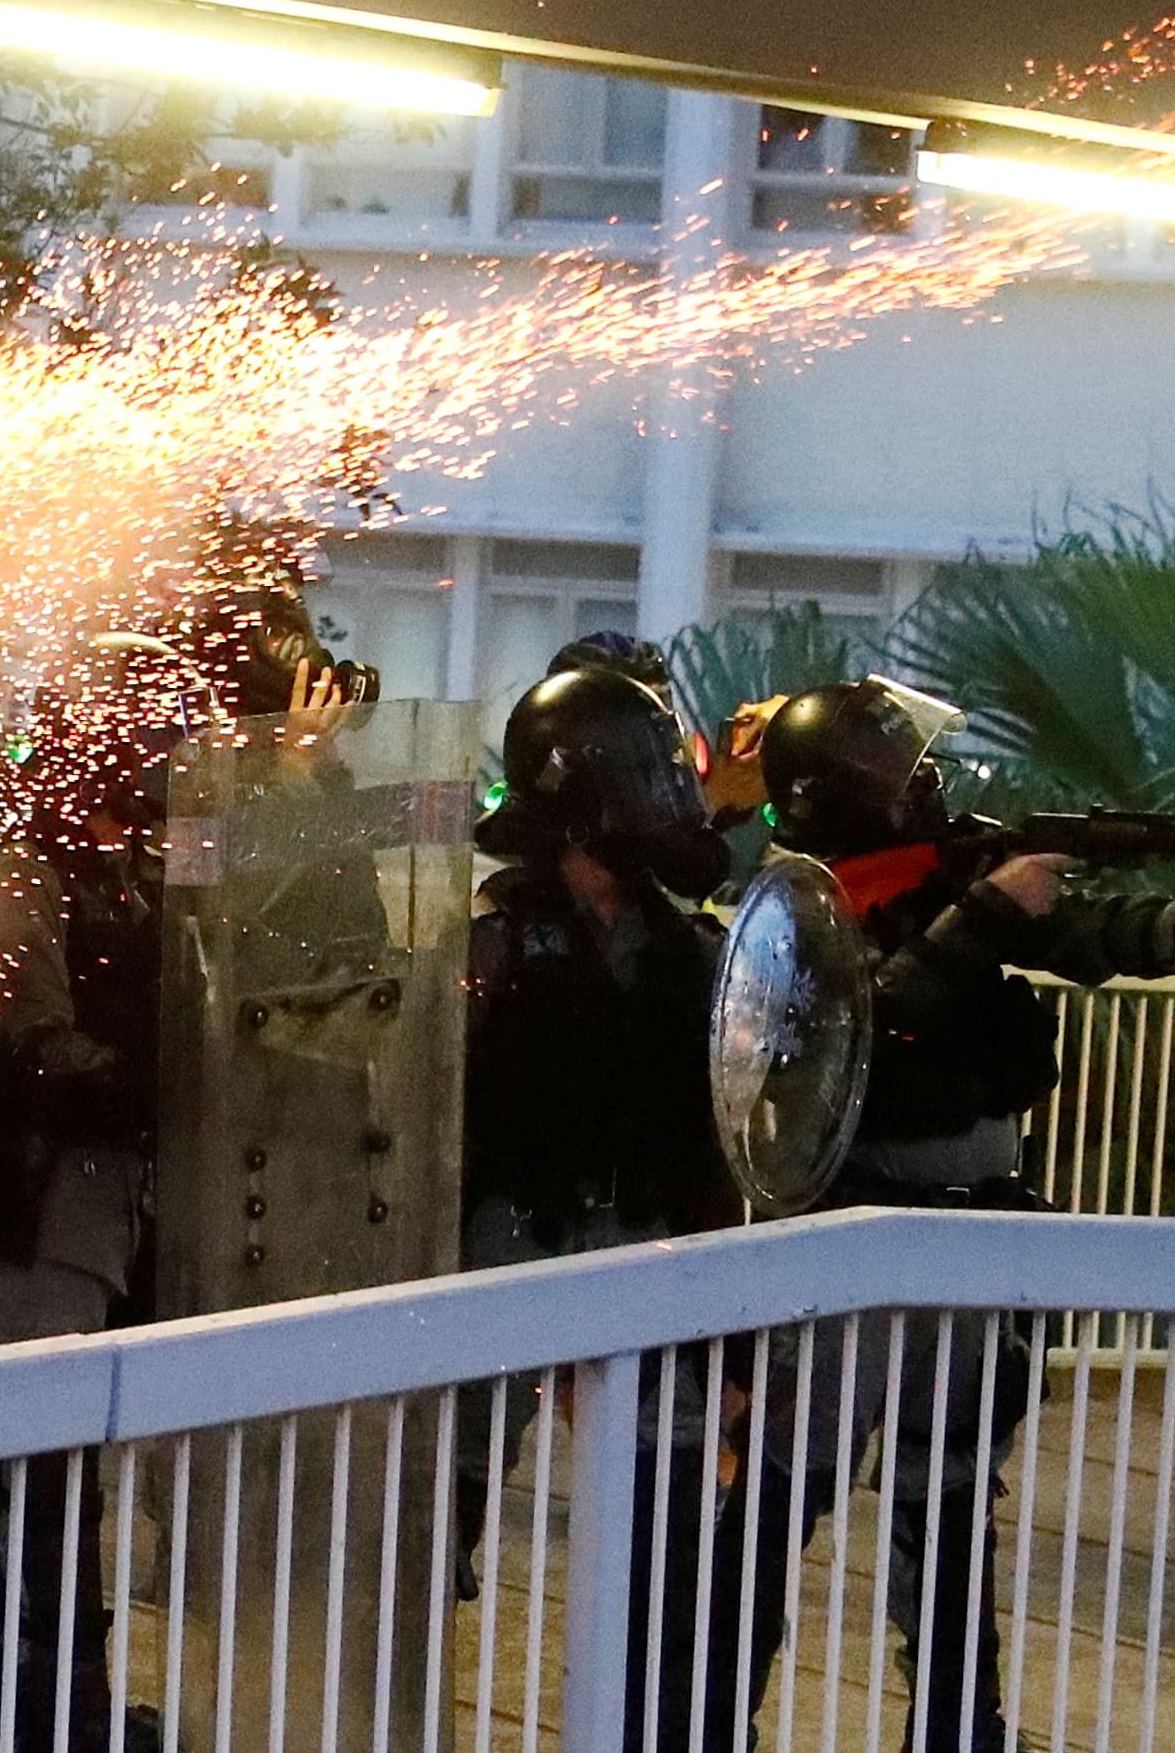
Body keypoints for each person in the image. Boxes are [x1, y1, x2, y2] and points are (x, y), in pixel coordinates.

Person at [735, 676, 1175, 1753]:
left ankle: (958, 1727)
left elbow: (1086, 936)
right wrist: (981, 916)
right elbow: (857, 1020)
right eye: (895, 773)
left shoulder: (943, 881)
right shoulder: (800, 908)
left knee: (951, 1504)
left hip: (971, 1229)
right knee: (782, 1501)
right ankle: (703, 1711)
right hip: (853, 1229)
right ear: (844, 797)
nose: (922, 785)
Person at [0, 582, 363, 1753]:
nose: (181, 745)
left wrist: (306, 782)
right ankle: (13, 1712)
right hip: (51, 1194)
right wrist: (186, 1069)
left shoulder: (176, 861)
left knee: (175, 1460)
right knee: (37, 1473)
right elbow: (28, 1047)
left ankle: (77, 1705)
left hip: (164, 1188)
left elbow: (318, 932)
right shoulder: (24, 869)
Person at [457, 659, 747, 1752]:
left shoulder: (687, 948)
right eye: (648, 775)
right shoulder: (485, 940)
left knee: (665, 1534)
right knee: (441, 1498)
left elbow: (717, 1136)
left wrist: (733, 1339)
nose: (669, 796)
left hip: (646, 1246)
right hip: (509, 1238)